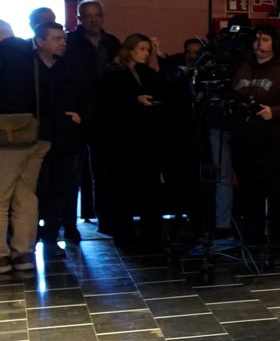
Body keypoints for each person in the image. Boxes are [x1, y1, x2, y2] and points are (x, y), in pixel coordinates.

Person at [227, 26, 280, 247]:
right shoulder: (243, 67)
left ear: (274, 43)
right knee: (249, 191)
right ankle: (252, 237)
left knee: (278, 191)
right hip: (245, 141)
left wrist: (276, 112)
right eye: (256, 39)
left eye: (264, 39)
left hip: (278, 141)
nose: (259, 44)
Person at [93, 34, 167, 247]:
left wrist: (160, 55)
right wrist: (134, 100)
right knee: (123, 188)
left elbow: (167, 83)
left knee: (149, 188)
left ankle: (151, 234)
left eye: (148, 50)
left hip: (146, 139)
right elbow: (106, 104)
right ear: (130, 49)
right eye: (142, 49)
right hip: (122, 139)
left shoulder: (147, 73)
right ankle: (124, 233)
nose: (146, 53)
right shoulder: (113, 74)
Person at [30, 23, 90, 247]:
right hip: (37, 137)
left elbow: (87, 95)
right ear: (40, 42)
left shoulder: (70, 68)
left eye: (63, 38)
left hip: (65, 137)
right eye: (56, 39)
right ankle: (33, 232)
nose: (63, 43)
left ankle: (51, 235)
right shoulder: (29, 68)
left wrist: (81, 116)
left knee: (61, 188)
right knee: (38, 188)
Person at [0, 29, 50, 272]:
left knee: (1, 197)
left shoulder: (3, 57)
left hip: (6, 135)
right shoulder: (35, 54)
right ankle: (24, 253)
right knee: (26, 195)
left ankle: (1, 256)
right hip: (37, 132)